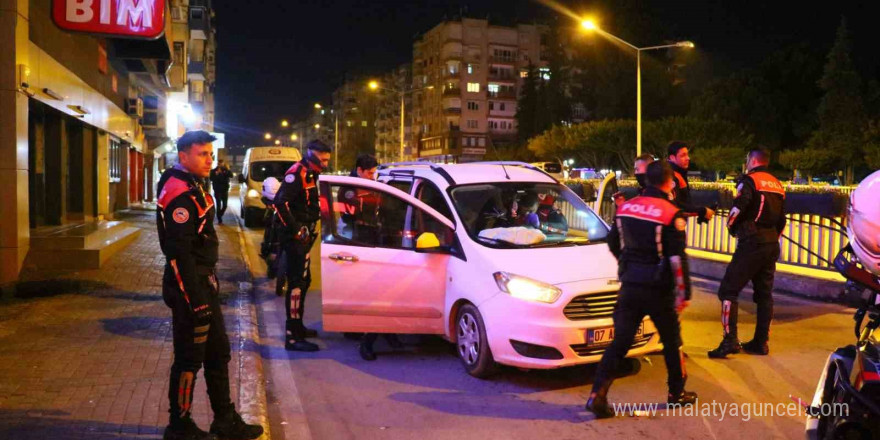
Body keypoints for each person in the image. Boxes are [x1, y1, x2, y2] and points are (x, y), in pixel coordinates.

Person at [156, 131, 263, 440]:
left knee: (218, 352)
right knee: (189, 358)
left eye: (210, 153)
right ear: (184, 155)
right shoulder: (179, 192)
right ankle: (179, 425)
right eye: (202, 153)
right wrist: (196, 300)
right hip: (190, 287)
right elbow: (179, 255)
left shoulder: (192, 184)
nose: (209, 159)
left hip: (203, 283)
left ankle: (225, 420)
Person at [586, 160, 697, 419]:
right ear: (669, 182)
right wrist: (685, 293)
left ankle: (597, 394)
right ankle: (676, 394)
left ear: (646, 180)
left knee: (620, 342)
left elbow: (613, 242)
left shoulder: (626, 209)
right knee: (672, 342)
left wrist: (627, 265)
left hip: (630, 286)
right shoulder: (671, 213)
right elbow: (676, 259)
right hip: (659, 289)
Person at [708, 148, 786, 358]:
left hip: (752, 242)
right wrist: (772, 238)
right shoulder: (777, 185)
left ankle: (729, 341)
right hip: (771, 244)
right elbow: (782, 220)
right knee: (764, 294)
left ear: (752, 160)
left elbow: (738, 209)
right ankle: (761, 343)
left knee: (728, 290)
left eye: (746, 160)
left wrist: (732, 228)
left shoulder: (750, 181)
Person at [275, 140, 331, 352]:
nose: (325, 164)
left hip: (306, 236)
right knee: (297, 284)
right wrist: (297, 229)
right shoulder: (296, 173)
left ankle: (299, 327)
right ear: (312, 155)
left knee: (305, 281)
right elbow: (280, 202)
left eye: (327, 160)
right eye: (322, 159)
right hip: (296, 238)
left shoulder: (312, 173)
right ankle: (291, 336)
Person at [667, 141, 714, 222]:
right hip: (672, 226)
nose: (688, 158)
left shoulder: (679, 173)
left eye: (687, 154)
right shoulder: (671, 176)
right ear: (672, 157)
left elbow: (684, 202)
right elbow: (676, 205)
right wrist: (702, 210)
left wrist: (700, 211)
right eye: (683, 155)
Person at [209, 159, 233, 224]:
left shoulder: (225, 170)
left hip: (225, 190)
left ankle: (220, 214)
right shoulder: (214, 171)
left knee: (225, 205)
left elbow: (231, 175)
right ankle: (219, 219)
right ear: (217, 163)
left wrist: (226, 170)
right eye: (219, 163)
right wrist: (216, 174)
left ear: (223, 163)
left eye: (221, 163)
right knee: (218, 205)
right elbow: (211, 178)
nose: (220, 164)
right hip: (217, 190)